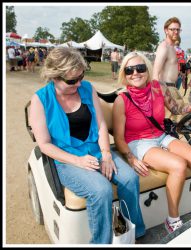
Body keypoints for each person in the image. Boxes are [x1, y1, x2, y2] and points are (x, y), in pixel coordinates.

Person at [29, 47, 145, 244]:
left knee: (130, 178)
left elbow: (100, 124)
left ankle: (134, 234)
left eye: (81, 76)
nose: (79, 83)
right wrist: (78, 161)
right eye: (72, 80)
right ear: (54, 76)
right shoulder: (40, 100)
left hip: (96, 150)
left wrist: (106, 153)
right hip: (67, 159)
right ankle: (101, 242)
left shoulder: (86, 88)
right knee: (100, 190)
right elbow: (45, 145)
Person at [113, 51, 191, 234]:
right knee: (178, 165)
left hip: (160, 135)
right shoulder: (121, 100)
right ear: (124, 74)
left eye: (140, 68)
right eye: (129, 70)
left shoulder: (159, 88)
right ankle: (172, 220)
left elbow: (177, 108)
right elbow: (118, 137)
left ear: (147, 69)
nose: (135, 73)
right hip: (139, 142)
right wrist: (131, 159)